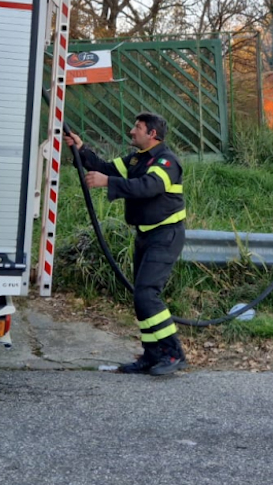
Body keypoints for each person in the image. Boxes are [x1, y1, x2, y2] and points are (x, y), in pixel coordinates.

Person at [64, 113, 188, 376]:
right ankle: (152, 355)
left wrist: (108, 183)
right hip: (146, 235)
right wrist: (81, 149)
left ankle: (173, 353)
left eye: (138, 127)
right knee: (141, 297)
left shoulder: (166, 161)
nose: (132, 131)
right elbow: (105, 167)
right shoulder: (136, 159)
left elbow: (148, 187)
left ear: (152, 134)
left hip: (166, 235)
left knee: (147, 295)